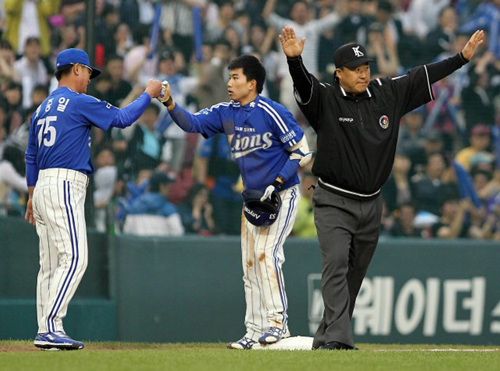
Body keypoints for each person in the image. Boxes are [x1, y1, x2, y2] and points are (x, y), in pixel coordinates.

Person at [278, 26, 485, 350]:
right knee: (335, 264)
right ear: (339, 74)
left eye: (367, 68)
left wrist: (460, 59)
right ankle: (340, 340)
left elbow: (422, 75)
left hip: (371, 204)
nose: (363, 74)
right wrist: (294, 62)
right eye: (356, 70)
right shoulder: (327, 99)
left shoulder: (387, 92)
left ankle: (326, 338)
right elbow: (304, 87)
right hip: (333, 200)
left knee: (353, 277)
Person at [160, 54, 312, 349]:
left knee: (268, 254)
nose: (229, 83)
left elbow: (303, 152)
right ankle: (254, 331)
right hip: (253, 200)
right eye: (229, 77)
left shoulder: (272, 111)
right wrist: (169, 103)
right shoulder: (226, 112)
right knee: (250, 265)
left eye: (235, 78)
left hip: (283, 194)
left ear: (252, 83)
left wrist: (277, 182)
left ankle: (278, 324)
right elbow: (191, 124)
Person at [24, 48, 163, 350]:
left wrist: (32, 193)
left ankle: (44, 328)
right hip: (64, 183)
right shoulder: (78, 101)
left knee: (49, 264)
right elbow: (123, 118)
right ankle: (50, 327)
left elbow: (31, 153)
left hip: (44, 185)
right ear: (75, 69)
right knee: (75, 258)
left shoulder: (43, 107)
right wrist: (147, 93)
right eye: (87, 71)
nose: (90, 77)